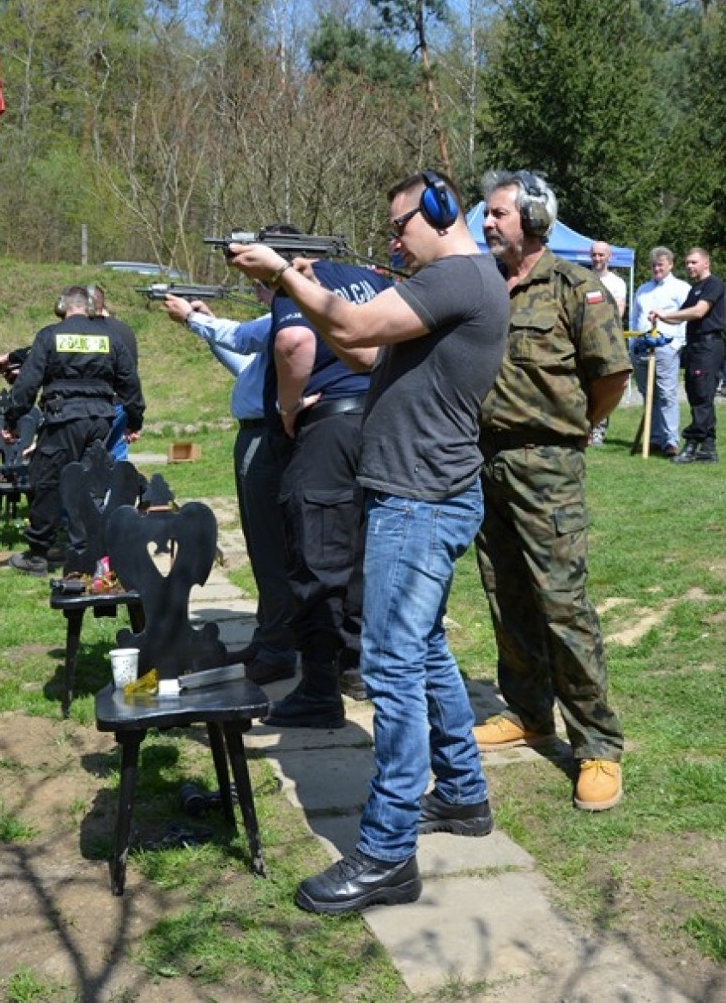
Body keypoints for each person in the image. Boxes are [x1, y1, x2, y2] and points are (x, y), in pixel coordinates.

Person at [229, 170, 509, 915]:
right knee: (424, 652)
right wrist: (313, 291)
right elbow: (359, 354)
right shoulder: (450, 281)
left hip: (418, 499)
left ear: (443, 212)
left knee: (388, 665)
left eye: (400, 223)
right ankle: (462, 793)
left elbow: (351, 330)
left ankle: (387, 854)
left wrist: (287, 275)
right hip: (419, 492)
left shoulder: (459, 275)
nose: (391, 239)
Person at [473, 170, 629, 813]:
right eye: (485, 213)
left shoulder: (576, 288)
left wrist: (574, 431)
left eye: (500, 213)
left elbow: (611, 377)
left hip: (549, 465)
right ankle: (529, 712)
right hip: (485, 463)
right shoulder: (483, 289)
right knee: (506, 596)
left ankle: (597, 743)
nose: (487, 222)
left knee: (562, 605)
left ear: (535, 218)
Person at [258, 235, 390, 728]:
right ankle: (355, 668)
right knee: (362, 549)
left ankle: (318, 688)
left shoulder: (293, 283)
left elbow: (295, 343)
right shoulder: (367, 280)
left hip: (327, 430)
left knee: (316, 556)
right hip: (376, 424)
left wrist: (288, 408)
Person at [163, 286, 297, 683]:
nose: (253, 286)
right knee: (263, 546)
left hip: (267, 436)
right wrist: (201, 326)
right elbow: (245, 365)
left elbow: (240, 336)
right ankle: (271, 635)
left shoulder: (285, 316)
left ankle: (279, 646)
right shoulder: (281, 319)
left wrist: (193, 318)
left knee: (272, 546)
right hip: (259, 433)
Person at [4, 285, 146, 576]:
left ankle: (39, 553)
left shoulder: (50, 336)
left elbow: (28, 383)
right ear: (90, 306)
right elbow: (130, 381)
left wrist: (12, 419)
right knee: (94, 480)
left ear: (63, 306)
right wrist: (135, 419)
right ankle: (96, 548)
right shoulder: (110, 338)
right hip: (101, 420)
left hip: (63, 418)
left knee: (48, 479)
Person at [648, 247, 724, 465]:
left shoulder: (713, 285)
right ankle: (708, 449)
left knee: (701, 397)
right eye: (687, 263)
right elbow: (681, 317)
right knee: (697, 396)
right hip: (695, 347)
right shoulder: (695, 289)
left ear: (706, 263)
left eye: (694, 262)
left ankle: (691, 445)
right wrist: (659, 317)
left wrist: (667, 314)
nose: (689, 266)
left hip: (709, 346)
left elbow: (698, 312)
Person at [629, 248, 687, 457]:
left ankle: (670, 441)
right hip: (642, 347)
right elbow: (635, 317)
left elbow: (686, 319)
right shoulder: (643, 289)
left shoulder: (680, 288)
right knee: (648, 394)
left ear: (670, 264)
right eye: (654, 265)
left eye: (660, 264)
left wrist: (676, 345)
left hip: (665, 347)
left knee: (666, 394)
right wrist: (633, 344)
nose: (656, 268)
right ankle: (653, 438)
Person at [87, 284, 140, 461]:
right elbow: (131, 375)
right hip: (122, 403)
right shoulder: (126, 330)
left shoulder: (91, 331)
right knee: (117, 459)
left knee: (87, 461)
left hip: (95, 405)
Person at [587, 241, 627, 445]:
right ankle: (584, 428)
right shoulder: (582, 279)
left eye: (601, 255)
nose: (597, 259)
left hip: (605, 340)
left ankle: (598, 430)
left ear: (609, 257)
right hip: (583, 340)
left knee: (603, 383)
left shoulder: (617, 283)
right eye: (594, 255)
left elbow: (619, 312)